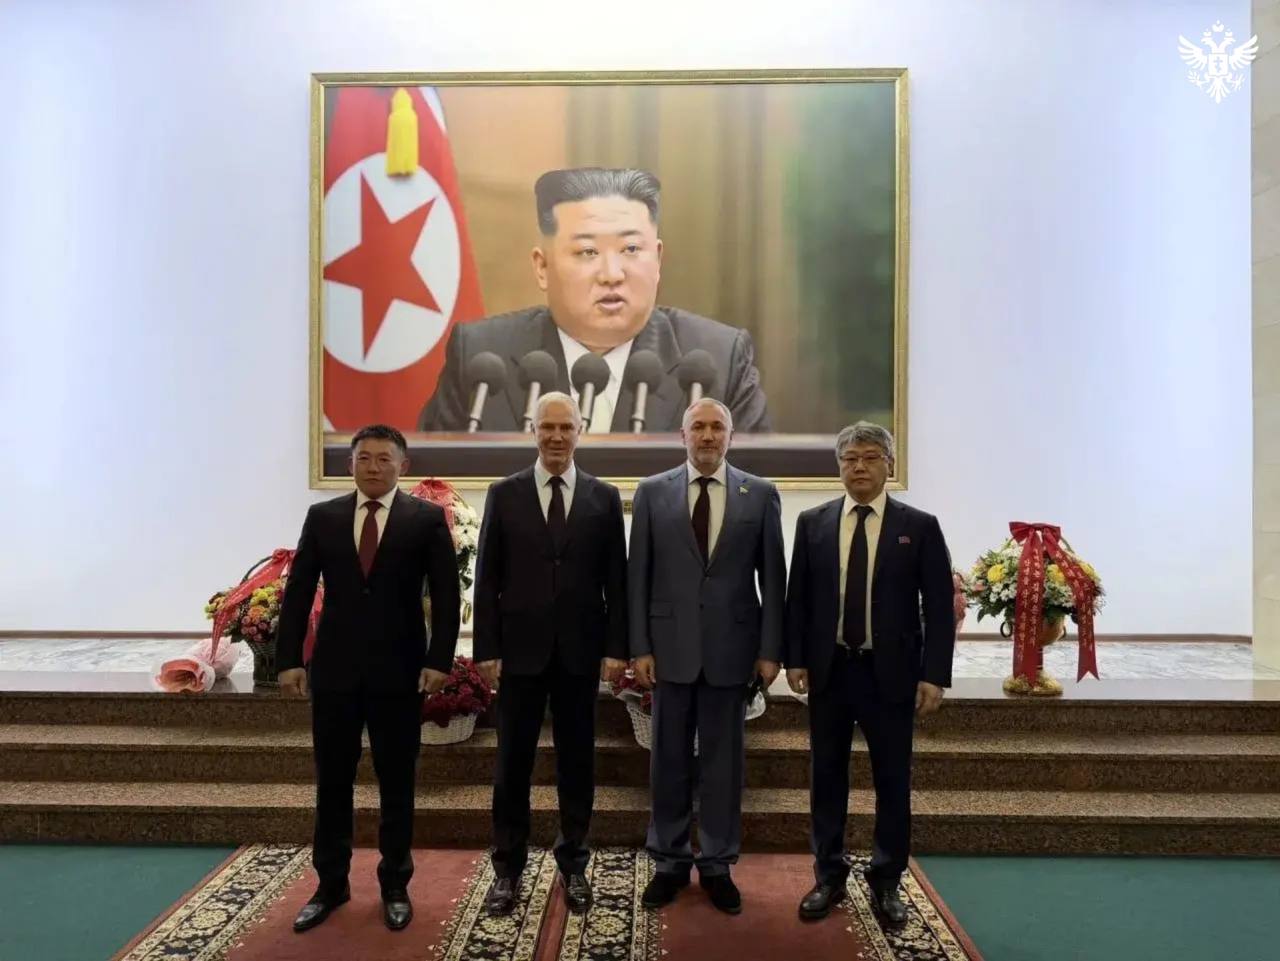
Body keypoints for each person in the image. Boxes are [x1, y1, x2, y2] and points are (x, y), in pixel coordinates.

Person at [276, 424, 461, 933]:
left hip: (399, 673)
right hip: (334, 672)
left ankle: (395, 884)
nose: (373, 466)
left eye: (384, 458)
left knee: (397, 783)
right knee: (332, 783)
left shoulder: (425, 519)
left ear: (403, 465)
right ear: (350, 464)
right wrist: (289, 659)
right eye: (364, 458)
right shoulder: (324, 517)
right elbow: (299, 592)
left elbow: (446, 596)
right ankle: (330, 884)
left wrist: (439, 660)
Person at [417, 167, 770, 433]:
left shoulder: (719, 362)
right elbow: (434, 490)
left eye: (631, 249)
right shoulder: (480, 358)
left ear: (658, 260)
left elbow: (756, 492)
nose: (612, 274)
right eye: (587, 252)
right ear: (542, 267)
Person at [783, 422, 955, 925]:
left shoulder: (918, 526)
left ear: (889, 465)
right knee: (827, 778)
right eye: (850, 458)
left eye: (870, 457)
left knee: (892, 781)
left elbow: (939, 607)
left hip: (891, 676)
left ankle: (887, 881)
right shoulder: (813, 523)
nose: (859, 467)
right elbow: (798, 600)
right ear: (839, 466)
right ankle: (828, 876)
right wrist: (795, 659)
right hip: (831, 672)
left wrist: (934, 674)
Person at [471, 391, 629, 916]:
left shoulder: (605, 498)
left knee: (577, 764)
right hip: (518, 654)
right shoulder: (504, 493)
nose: (557, 437)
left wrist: (616, 648)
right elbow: (487, 578)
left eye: (566, 427)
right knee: (511, 766)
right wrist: (486, 647)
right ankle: (507, 869)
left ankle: (574, 863)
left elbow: (617, 581)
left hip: (580, 654)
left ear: (580, 431)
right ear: (533, 430)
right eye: (548, 427)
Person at [627, 397, 785, 914]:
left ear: (731, 436)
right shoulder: (652, 492)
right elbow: (637, 576)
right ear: (683, 435)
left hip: (731, 652)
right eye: (699, 427)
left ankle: (717, 865)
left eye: (718, 427)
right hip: (668, 651)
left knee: (722, 767)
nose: (708, 435)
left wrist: (770, 650)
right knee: (668, 763)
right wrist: (638, 647)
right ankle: (670, 862)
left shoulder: (760, 494)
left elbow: (773, 580)